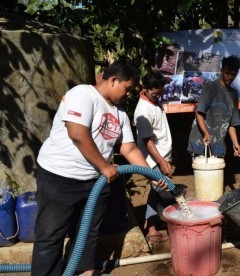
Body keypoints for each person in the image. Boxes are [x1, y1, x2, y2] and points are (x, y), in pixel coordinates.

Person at [31, 58, 167, 276]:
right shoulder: (83, 94)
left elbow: (130, 149)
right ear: (113, 80)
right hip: (59, 178)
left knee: (87, 234)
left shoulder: (120, 113)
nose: (130, 94)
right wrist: (105, 166)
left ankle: (84, 271)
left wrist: (152, 175)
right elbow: (77, 133)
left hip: (95, 182)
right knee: (50, 235)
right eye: (128, 88)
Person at [134, 71, 173, 244]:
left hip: (162, 154)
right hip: (153, 157)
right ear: (145, 89)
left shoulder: (154, 101)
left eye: (160, 92)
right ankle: (151, 227)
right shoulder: (142, 110)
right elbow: (147, 140)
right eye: (155, 93)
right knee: (162, 190)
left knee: (157, 191)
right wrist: (161, 161)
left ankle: (151, 223)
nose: (158, 95)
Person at [187, 55, 240, 158]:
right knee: (203, 173)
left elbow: (231, 123)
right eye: (227, 73)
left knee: (216, 173)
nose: (230, 77)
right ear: (222, 71)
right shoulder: (210, 87)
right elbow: (199, 113)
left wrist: (235, 143)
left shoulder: (234, 94)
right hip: (200, 142)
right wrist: (205, 133)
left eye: (233, 74)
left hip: (218, 145)